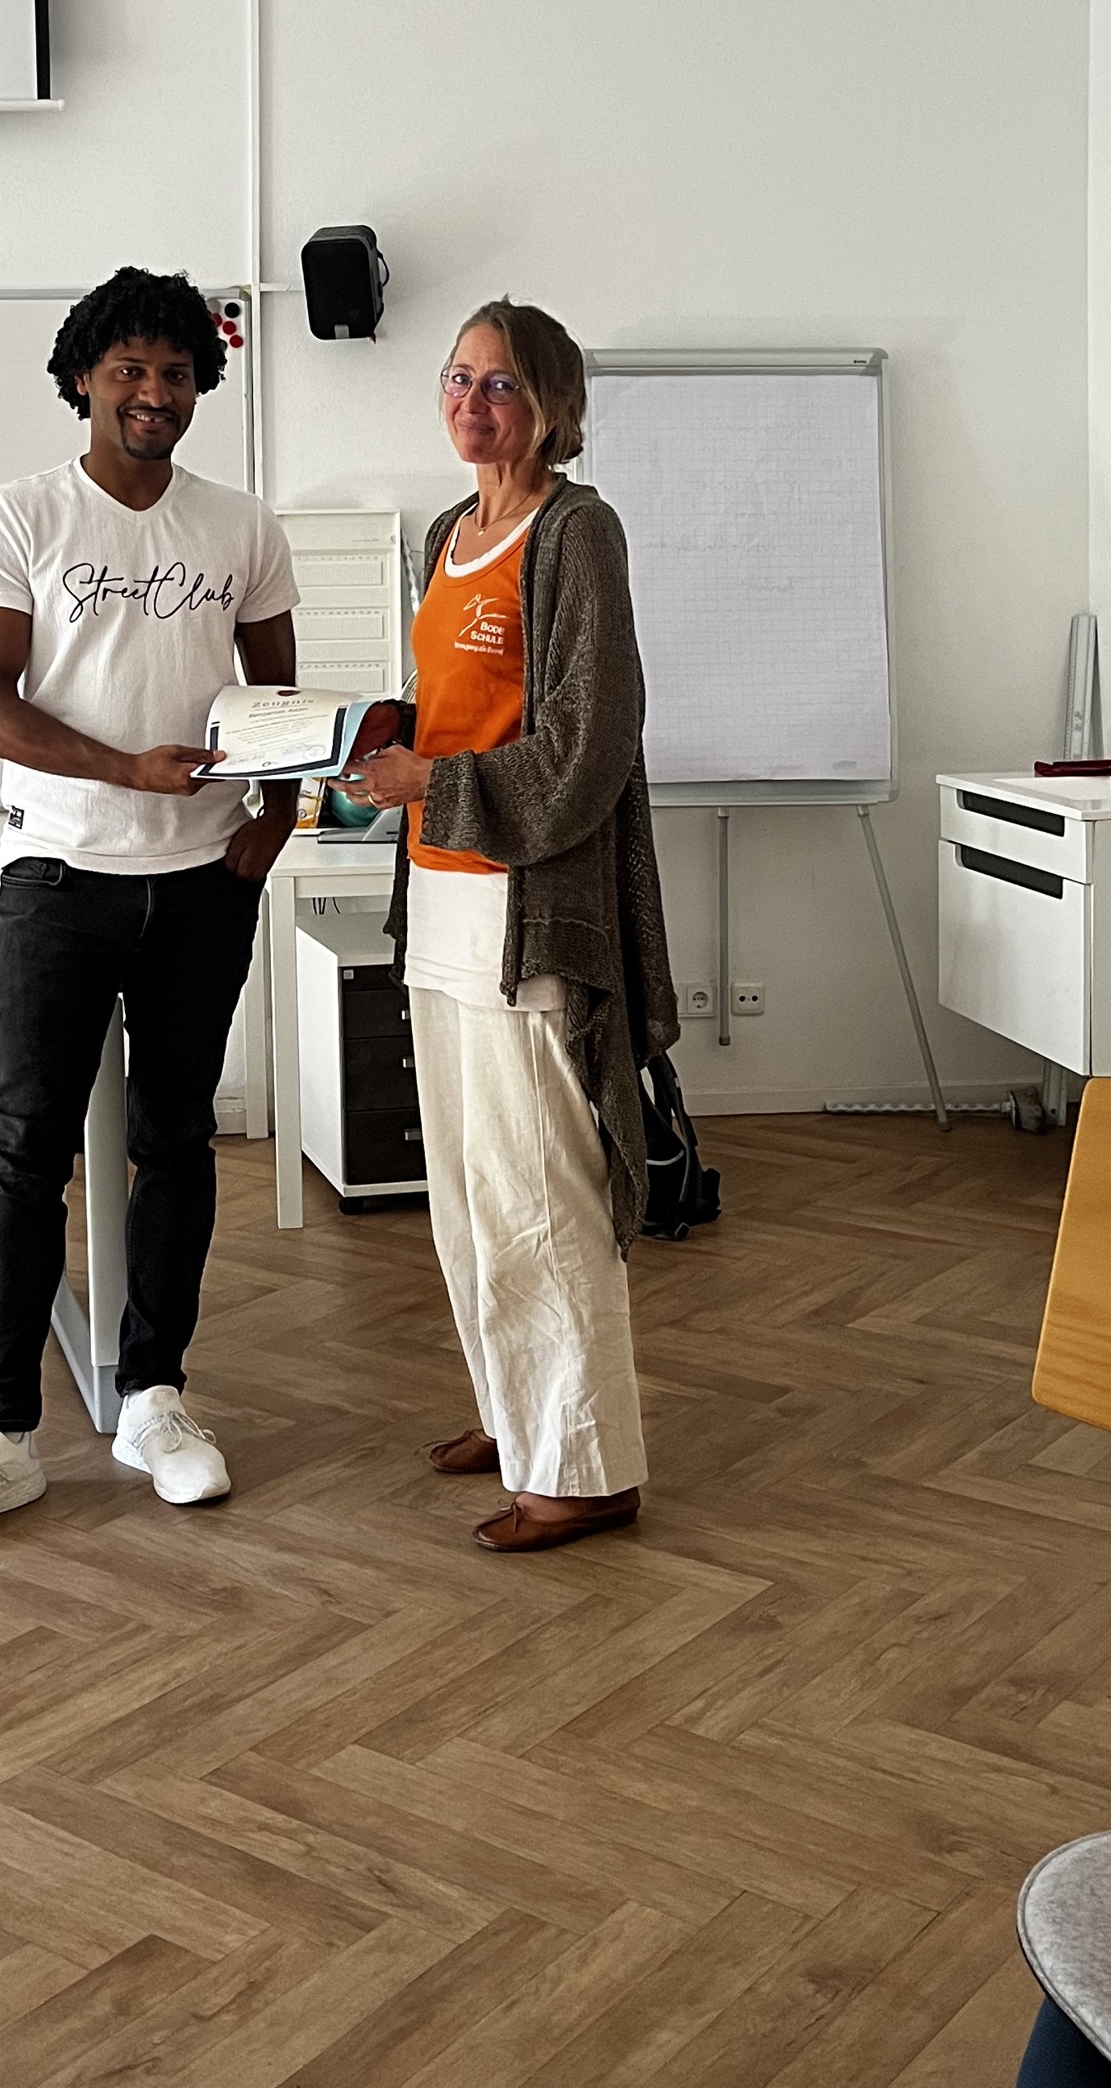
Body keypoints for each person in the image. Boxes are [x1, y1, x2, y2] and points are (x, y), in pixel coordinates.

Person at [0, 266, 298, 1554]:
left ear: (199, 389)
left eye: (175, 374)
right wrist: (128, 771)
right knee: (27, 1155)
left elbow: (280, 711)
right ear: (83, 377)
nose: (153, 394)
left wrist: (273, 824)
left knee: (177, 1145)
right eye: (128, 370)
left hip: (199, 889)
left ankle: (155, 1401)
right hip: (59, 879)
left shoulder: (240, 527)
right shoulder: (15, 516)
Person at [345, 298, 679, 1552]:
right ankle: (514, 1404)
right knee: (468, 1192)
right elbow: (458, 708)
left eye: (500, 385)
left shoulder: (575, 533)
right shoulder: (450, 532)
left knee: (540, 1186)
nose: (471, 403)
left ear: (553, 406)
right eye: (457, 378)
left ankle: (585, 1464)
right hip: (440, 898)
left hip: (528, 910)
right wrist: (383, 740)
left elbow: (590, 746)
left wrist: (432, 779)